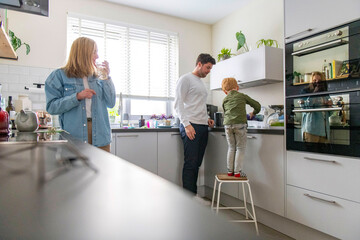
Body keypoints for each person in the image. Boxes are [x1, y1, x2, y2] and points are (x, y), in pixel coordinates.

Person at [45, 37, 116, 152]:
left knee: (102, 170)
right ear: (83, 53)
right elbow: (51, 107)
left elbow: (111, 103)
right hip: (74, 137)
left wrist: (107, 77)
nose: (97, 56)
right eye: (94, 52)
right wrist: (77, 97)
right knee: (76, 170)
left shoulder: (98, 76)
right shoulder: (59, 76)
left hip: (101, 136)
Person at [174, 53, 215, 195]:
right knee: (191, 164)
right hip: (191, 125)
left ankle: (193, 197)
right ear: (199, 64)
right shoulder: (185, 79)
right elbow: (178, 103)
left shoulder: (200, 83)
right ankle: (188, 199)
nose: (209, 71)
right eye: (207, 67)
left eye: (210, 68)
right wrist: (186, 124)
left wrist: (207, 118)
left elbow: (199, 104)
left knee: (197, 163)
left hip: (202, 126)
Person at [221, 77, 260, 177]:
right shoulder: (242, 96)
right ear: (237, 87)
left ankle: (230, 171)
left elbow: (226, 113)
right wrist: (254, 113)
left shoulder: (225, 99)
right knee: (240, 148)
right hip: (239, 125)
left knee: (231, 147)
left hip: (227, 125)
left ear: (225, 91)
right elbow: (257, 106)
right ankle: (237, 172)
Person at [300, 71, 332, 143]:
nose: (317, 82)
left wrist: (330, 105)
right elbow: (306, 108)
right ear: (311, 81)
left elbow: (330, 113)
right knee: (311, 153)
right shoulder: (305, 91)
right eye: (314, 80)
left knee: (323, 154)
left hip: (324, 130)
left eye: (319, 81)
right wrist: (315, 93)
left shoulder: (325, 93)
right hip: (311, 130)